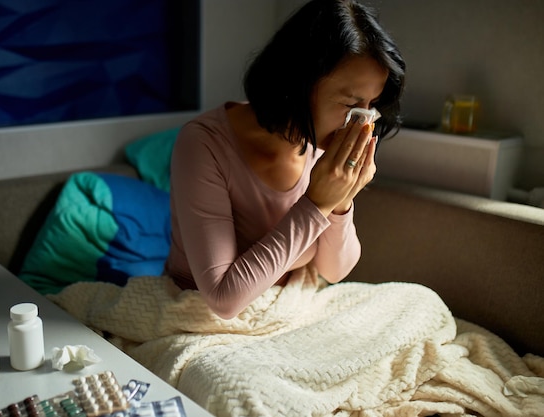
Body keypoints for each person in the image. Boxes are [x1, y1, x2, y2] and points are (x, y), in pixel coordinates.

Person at [165, 0, 406, 319]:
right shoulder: (203, 144)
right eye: (350, 104)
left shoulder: (323, 143)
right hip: (200, 314)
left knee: (415, 304)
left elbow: (334, 271)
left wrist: (341, 202)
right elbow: (223, 299)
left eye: (370, 104)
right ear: (296, 83)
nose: (361, 122)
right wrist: (316, 204)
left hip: (290, 304)